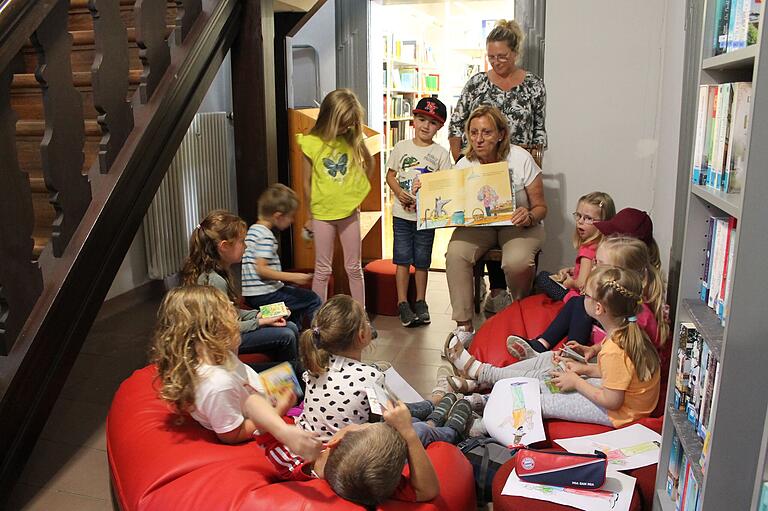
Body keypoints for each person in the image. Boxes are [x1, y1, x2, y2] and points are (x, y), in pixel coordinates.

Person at [445, 266, 661, 428]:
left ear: (598, 308)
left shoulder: (617, 347)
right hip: (622, 401)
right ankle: (483, 387)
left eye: (585, 294)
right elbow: (620, 375)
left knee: (541, 401)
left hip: (618, 413)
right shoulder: (624, 331)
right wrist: (585, 369)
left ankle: (484, 424)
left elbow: (612, 401)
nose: (581, 295)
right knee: (553, 374)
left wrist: (576, 381)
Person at [150, 285, 322, 457]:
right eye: (231, 317)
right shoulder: (217, 385)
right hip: (268, 410)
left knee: (301, 369)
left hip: (262, 393)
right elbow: (232, 434)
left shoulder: (212, 354)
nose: (238, 323)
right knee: (314, 379)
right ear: (209, 331)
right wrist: (279, 410)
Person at [449, 19, 547, 314]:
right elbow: (457, 125)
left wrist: (525, 163)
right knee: (460, 248)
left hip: (517, 173)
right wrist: (464, 169)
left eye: (502, 56)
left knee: (514, 253)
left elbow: (539, 134)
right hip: (481, 178)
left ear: (515, 53)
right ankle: (477, 310)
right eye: (491, 57)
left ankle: (516, 309)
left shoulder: (533, 85)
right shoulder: (478, 83)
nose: (496, 62)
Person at [297, 295, 473, 447]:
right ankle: (445, 428)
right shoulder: (368, 376)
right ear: (362, 335)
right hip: (352, 454)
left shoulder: (314, 369)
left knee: (404, 417)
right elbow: (391, 417)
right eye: (366, 321)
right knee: (416, 428)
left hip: (320, 444)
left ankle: (433, 409)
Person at [445, 105, 547, 348]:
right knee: (455, 254)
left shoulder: (520, 158)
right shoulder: (464, 164)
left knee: (517, 261)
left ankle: (518, 310)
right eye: (473, 132)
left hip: (519, 225)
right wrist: (423, 191)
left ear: (501, 133)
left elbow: (542, 207)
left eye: (486, 132)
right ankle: (464, 326)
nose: (478, 139)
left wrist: (530, 216)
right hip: (479, 225)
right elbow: (448, 203)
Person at [254, 400, 440, 508]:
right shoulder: (377, 483)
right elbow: (427, 490)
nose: (358, 424)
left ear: (335, 441)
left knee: (421, 428)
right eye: (362, 424)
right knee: (421, 430)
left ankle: (439, 418)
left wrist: (282, 428)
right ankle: (445, 421)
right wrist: (408, 432)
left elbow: (252, 406)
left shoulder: (294, 466)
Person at [181, 210, 300, 370]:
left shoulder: (220, 272)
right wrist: (260, 321)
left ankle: (289, 374)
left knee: (290, 326)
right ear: (224, 246)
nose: (246, 245)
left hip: (226, 331)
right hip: (219, 339)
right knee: (287, 335)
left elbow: (231, 312)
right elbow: (222, 327)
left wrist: (263, 313)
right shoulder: (214, 281)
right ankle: (288, 377)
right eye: (242, 241)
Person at [299, 88, 374, 312]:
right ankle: (318, 321)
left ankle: (361, 317)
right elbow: (306, 183)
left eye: (349, 124)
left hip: (349, 213)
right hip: (322, 215)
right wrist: (310, 217)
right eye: (342, 124)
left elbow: (367, 164)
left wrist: (356, 193)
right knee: (322, 270)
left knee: (353, 268)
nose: (345, 129)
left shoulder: (351, 137)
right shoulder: (311, 143)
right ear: (329, 118)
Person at [385, 97, 452, 327]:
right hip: (401, 216)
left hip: (426, 218)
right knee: (402, 260)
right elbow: (390, 175)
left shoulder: (441, 154)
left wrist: (430, 187)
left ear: (440, 127)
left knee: (422, 261)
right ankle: (402, 302)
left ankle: (421, 301)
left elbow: (446, 182)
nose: (425, 125)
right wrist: (398, 193)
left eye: (432, 122)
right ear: (413, 119)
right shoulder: (401, 147)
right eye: (421, 119)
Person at [241, 184, 322, 328]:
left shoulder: (253, 231)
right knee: (313, 299)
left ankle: (296, 339)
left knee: (296, 305)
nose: (292, 221)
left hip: (253, 296)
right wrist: (296, 277)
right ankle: (317, 342)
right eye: (291, 216)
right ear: (278, 216)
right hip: (266, 296)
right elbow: (262, 270)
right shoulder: (266, 236)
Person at [534, 192, 616, 301]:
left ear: (604, 223)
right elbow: (591, 271)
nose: (580, 222)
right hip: (595, 296)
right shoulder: (606, 246)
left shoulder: (588, 250)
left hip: (577, 299)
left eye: (588, 218)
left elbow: (581, 284)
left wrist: (570, 282)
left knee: (543, 278)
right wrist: (572, 270)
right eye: (578, 215)